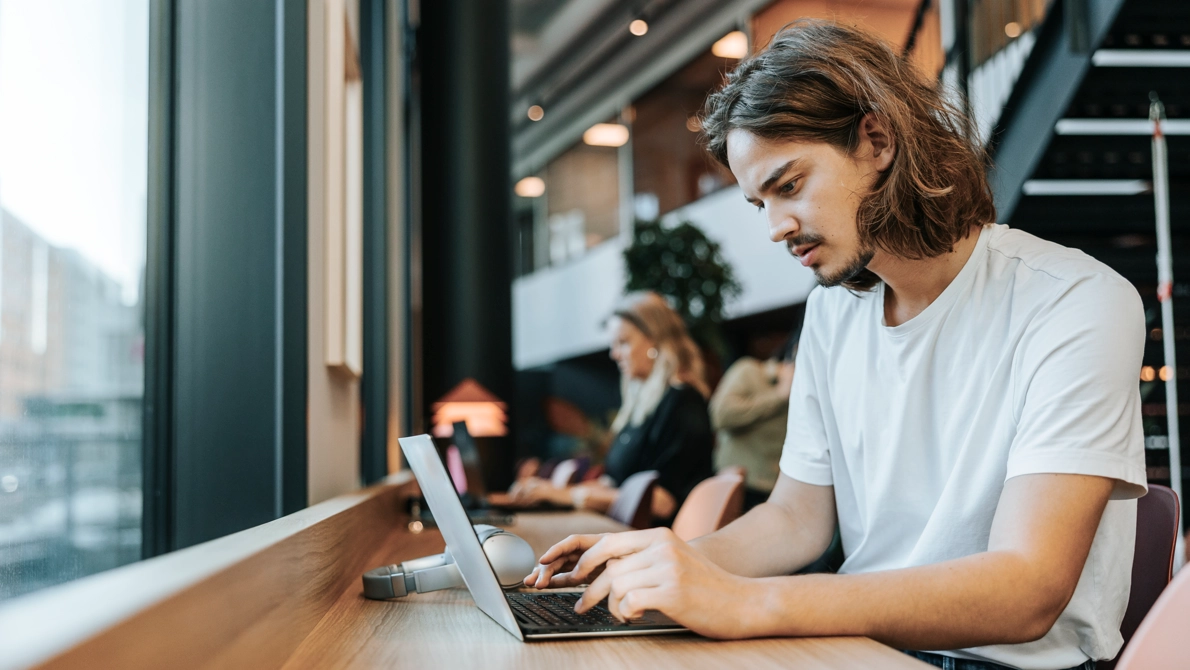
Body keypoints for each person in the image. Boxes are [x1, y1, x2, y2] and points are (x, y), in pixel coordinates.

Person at [524, 20, 1144, 670]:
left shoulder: (1073, 299)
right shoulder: (831, 313)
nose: (774, 228)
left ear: (876, 139)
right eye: (757, 202)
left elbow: (1027, 590)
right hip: (857, 647)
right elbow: (796, 519)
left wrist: (748, 605)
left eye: (788, 186)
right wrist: (659, 564)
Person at [509, 291, 715, 522]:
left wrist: (570, 495)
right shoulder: (645, 405)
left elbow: (661, 502)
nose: (614, 354)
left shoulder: (683, 402)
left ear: (654, 341)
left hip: (652, 539)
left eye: (623, 343)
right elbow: (617, 483)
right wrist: (551, 491)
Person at [709, 334, 796, 509]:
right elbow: (720, 415)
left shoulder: (807, 392)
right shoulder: (750, 371)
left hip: (778, 493)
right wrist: (778, 396)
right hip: (739, 489)